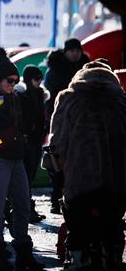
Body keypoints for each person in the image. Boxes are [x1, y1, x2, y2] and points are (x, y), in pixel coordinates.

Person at [49, 66, 126, 270]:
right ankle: (114, 256)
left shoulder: (69, 97)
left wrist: (57, 165)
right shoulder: (121, 99)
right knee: (113, 224)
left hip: (81, 178)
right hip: (116, 180)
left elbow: (58, 139)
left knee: (78, 227)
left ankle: (78, 260)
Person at [0, 49, 43, 270]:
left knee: (22, 205)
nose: (13, 84)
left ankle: (22, 248)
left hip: (17, 157)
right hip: (0, 157)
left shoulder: (15, 97)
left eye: (15, 80)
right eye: (9, 80)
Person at [44, 37, 89, 214]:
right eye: (72, 50)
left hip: (83, 122)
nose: (76, 53)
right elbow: (49, 98)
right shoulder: (55, 70)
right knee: (58, 160)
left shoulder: (85, 68)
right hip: (61, 120)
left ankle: (75, 198)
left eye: (78, 50)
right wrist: (51, 121)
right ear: (66, 51)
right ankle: (56, 199)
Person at [17, 65, 48, 224]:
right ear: (29, 79)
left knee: (30, 176)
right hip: (29, 141)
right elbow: (26, 119)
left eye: (40, 78)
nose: (39, 82)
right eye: (36, 78)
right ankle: (26, 209)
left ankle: (29, 208)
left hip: (36, 140)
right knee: (26, 177)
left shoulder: (39, 94)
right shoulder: (24, 96)